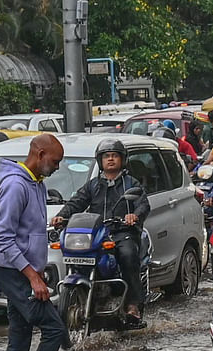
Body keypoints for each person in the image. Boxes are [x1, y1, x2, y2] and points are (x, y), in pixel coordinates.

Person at [0, 133, 68, 351]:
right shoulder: (15, 186)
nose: (57, 167)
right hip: (15, 273)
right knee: (54, 327)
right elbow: (4, 239)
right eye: (55, 160)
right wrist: (33, 277)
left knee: (19, 339)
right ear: (39, 152)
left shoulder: (37, 185)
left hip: (24, 271)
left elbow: (28, 232)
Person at [53, 137, 150, 327]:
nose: (111, 159)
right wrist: (61, 216)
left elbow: (143, 204)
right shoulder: (93, 185)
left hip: (123, 232)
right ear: (100, 161)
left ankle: (133, 304)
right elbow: (76, 202)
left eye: (114, 156)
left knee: (127, 255)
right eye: (106, 156)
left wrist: (134, 216)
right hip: (98, 232)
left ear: (122, 159)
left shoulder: (131, 183)